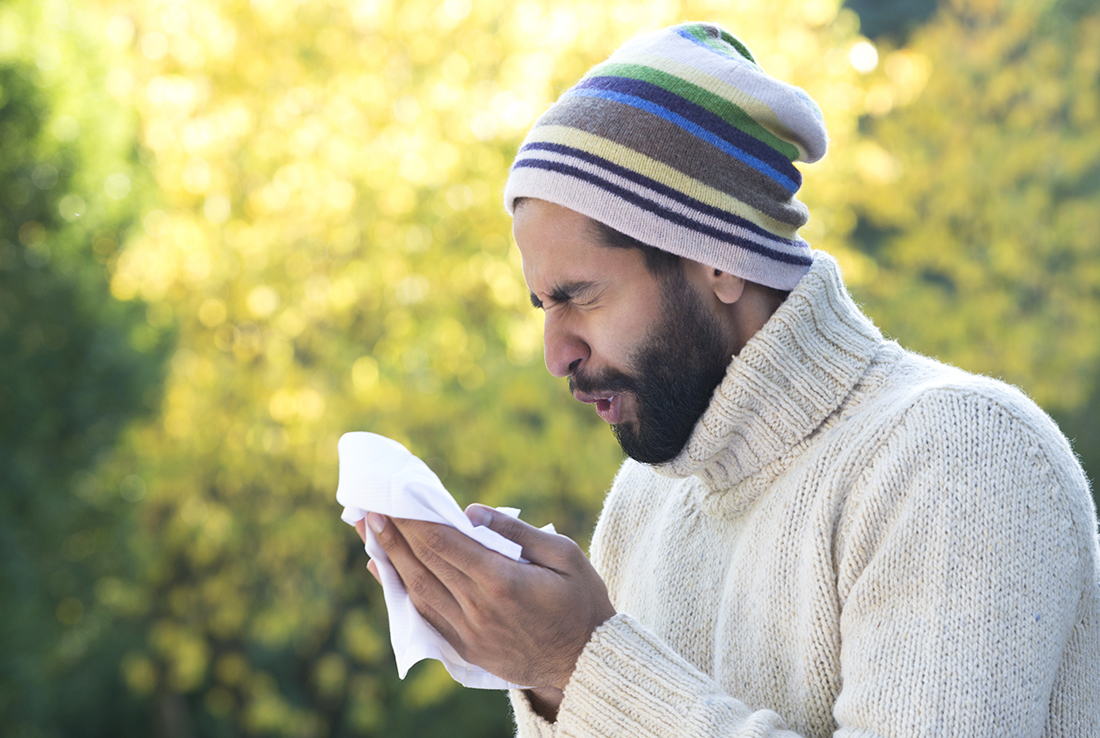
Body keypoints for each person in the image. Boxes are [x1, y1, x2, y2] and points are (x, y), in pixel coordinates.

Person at [356, 22, 1100, 737]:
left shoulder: (960, 459)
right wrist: (543, 674)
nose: (556, 354)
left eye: (579, 296)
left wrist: (579, 662)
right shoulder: (647, 502)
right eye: (543, 304)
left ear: (717, 257)